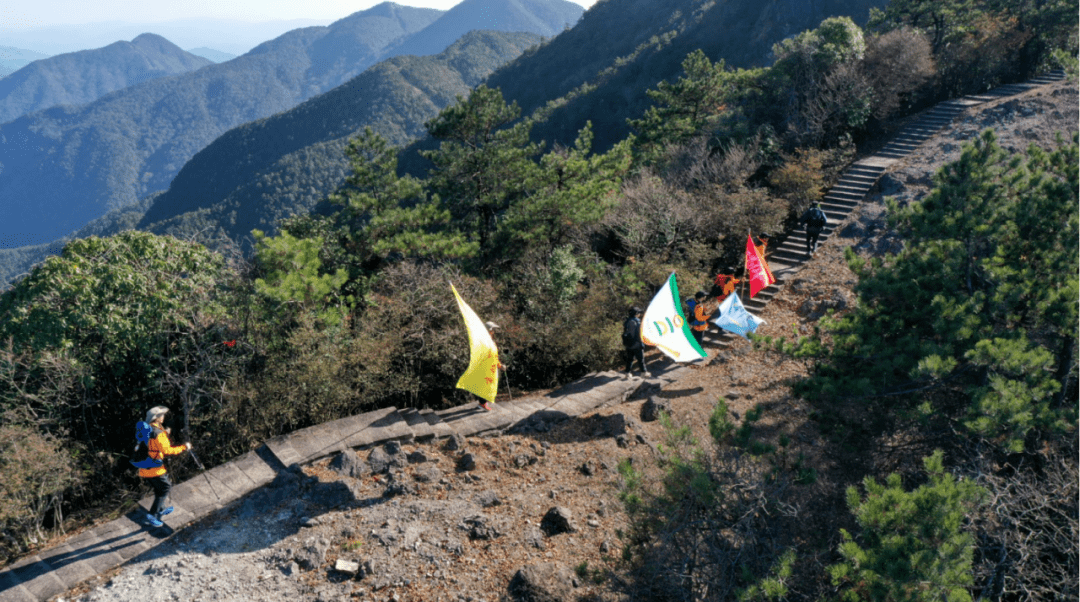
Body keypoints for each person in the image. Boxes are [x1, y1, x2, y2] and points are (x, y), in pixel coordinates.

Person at [139, 406, 191, 527]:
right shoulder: (159, 434)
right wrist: (184, 447)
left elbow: (152, 442)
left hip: (145, 466)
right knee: (166, 487)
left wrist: (165, 433)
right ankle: (152, 516)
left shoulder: (148, 429)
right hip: (154, 468)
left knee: (160, 488)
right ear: (156, 418)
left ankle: (161, 509)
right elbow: (167, 450)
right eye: (161, 415)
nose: (163, 417)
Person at [622, 306, 648, 376]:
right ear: (636, 313)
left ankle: (627, 373)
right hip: (637, 344)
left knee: (629, 360)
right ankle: (644, 373)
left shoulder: (627, 321)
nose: (639, 314)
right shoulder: (637, 322)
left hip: (629, 345)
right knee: (641, 360)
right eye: (639, 312)